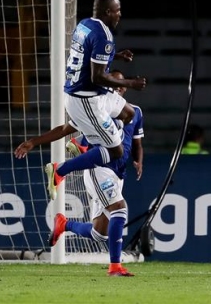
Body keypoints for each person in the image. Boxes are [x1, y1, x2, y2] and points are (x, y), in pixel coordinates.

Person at [15, 70, 144, 277]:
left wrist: (139, 160)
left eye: (121, 85)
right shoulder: (99, 107)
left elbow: (137, 141)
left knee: (99, 234)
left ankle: (64, 224)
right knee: (120, 209)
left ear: (124, 88)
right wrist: (33, 141)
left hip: (118, 172)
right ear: (108, 86)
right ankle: (115, 267)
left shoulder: (134, 111)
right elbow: (64, 128)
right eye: (114, 85)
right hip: (100, 169)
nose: (117, 88)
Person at [43, 0, 146, 201]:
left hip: (87, 92)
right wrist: (130, 83)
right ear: (108, 12)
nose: (120, 15)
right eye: (117, 11)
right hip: (87, 98)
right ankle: (59, 170)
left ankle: (84, 143)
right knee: (116, 151)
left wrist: (115, 55)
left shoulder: (84, 25)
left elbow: (88, 53)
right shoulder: (104, 35)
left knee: (129, 114)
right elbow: (98, 77)